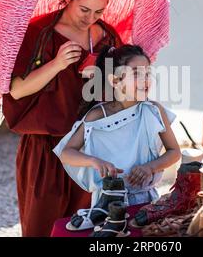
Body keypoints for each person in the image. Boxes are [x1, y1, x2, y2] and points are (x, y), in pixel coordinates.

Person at [2, 0, 122, 237]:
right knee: (42, 227)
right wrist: (57, 64)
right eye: (84, 9)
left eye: (98, 12)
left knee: (88, 227)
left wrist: (105, 77)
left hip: (93, 148)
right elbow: (17, 91)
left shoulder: (108, 37)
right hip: (46, 147)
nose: (90, 18)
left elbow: (123, 92)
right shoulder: (38, 32)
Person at [52, 44, 181, 214]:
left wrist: (150, 167)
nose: (145, 79)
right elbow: (67, 153)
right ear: (115, 81)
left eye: (147, 73)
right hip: (106, 203)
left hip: (146, 201)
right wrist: (94, 161)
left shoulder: (154, 111)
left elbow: (174, 152)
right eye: (136, 74)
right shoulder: (97, 116)